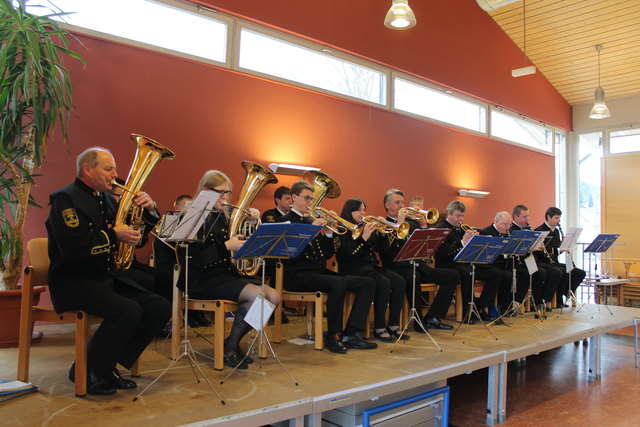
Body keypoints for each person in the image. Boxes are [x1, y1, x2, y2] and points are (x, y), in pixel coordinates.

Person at [46, 147, 171, 395]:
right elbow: (74, 248)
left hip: (103, 278)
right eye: (108, 168)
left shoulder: (103, 199)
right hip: (74, 281)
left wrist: (148, 211)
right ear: (87, 169)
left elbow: (134, 239)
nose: (115, 174)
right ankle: (87, 370)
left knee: (159, 307)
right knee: (128, 311)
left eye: (114, 168)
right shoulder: (65, 198)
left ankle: (104, 365)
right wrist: (114, 234)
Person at [181, 170, 282, 370]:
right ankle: (230, 348)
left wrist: (252, 224)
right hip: (201, 280)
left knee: (274, 297)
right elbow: (196, 258)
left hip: (224, 276)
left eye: (228, 193)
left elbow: (240, 246)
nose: (226, 198)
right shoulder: (192, 216)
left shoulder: (224, 217)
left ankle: (232, 342)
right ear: (205, 190)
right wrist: (226, 246)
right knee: (257, 295)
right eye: (221, 193)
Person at [277, 180, 377, 353]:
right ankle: (333, 335)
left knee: (368, 283)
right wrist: (310, 230)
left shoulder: (311, 220)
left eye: (312, 199)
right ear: (294, 197)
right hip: (296, 275)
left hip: (317, 273)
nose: (310, 203)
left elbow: (325, 255)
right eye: (307, 198)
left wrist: (329, 233)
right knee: (337, 283)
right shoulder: (284, 222)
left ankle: (350, 333)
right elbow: (289, 255)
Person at [378, 189, 458, 331]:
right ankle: (418, 321)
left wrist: (423, 225)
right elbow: (385, 251)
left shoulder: (412, 224)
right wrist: (399, 225)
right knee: (412, 276)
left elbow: (426, 245)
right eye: (397, 202)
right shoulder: (382, 225)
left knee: (452, 275)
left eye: (402, 202)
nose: (401, 205)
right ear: (387, 205)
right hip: (397, 268)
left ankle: (433, 317)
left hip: (418, 265)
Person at [336, 198, 408, 342]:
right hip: (353, 269)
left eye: (364, 209)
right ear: (349, 211)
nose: (363, 213)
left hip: (370, 267)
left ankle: (393, 324)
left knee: (399, 281)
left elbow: (382, 250)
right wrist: (363, 238)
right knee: (384, 282)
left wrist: (382, 233)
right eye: (359, 210)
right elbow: (345, 256)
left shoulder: (365, 226)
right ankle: (379, 327)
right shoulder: (342, 229)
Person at [433, 201, 506, 322]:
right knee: (468, 273)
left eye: (462, 215)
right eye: (458, 215)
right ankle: (467, 313)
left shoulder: (462, 228)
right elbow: (444, 253)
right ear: (449, 214)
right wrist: (462, 242)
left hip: (464, 263)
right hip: (448, 265)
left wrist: (476, 240)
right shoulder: (441, 228)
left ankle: (481, 307)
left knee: (495, 273)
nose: (461, 219)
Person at [534, 207, 586, 308]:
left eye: (559, 218)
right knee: (560, 271)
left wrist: (564, 246)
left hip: (554, 262)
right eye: (556, 218)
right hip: (543, 262)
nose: (559, 220)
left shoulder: (556, 232)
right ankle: (549, 300)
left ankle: (565, 293)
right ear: (549, 217)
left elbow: (556, 251)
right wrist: (558, 250)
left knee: (579, 273)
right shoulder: (539, 231)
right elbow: (540, 253)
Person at [511, 204, 560, 309]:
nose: (527, 219)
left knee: (541, 272)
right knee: (538, 272)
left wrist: (537, 245)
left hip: (528, 260)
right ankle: (525, 302)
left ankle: (538, 301)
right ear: (515, 217)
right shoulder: (511, 230)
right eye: (524, 217)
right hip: (517, 262)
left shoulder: (527, 228)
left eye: (528, 216)